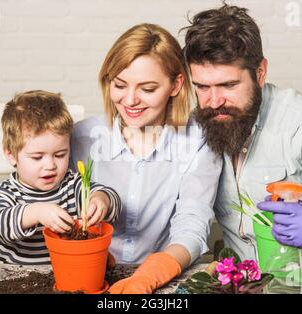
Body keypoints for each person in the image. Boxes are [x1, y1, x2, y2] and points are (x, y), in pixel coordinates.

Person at [182, 3, 302, 263]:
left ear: (260, 73)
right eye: (202, 86)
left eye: (229, 85)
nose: (214, 102)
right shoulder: (201, 125)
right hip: (249, 282)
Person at [71, 23, 222, 293]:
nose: (130, 100)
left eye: (148, 89)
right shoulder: (81, 139)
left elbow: (192, 224)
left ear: (176, 85)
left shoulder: (198, 141)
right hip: (89, 275)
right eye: (119, 84)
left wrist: (148, 276)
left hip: (162, 280)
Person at [0, 90, 121, 265]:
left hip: (71, 276)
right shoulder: (5, 193)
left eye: (60, 154)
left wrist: (102, 200)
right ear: (11, 155)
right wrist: (36, 212)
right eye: (37, 157)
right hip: (18, 280)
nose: (50, 165)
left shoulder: (72, 185)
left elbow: (112, 199)